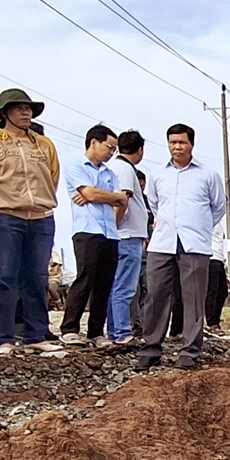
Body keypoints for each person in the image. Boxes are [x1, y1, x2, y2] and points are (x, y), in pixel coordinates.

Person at [0, 88, 59, 354]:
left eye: (28, 108)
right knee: (4, 277)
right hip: (3, 216)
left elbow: (52, 176)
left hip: (41, 217)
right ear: (5, 112)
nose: (26, 112)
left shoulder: (44, 144)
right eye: (19, 108)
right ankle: (4, 338)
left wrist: (40, 201)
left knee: (37, 277)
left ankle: (36, 334)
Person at [136, 122, 226, 371]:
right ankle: (151, 348)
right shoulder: (157, 175)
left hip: (195, 244)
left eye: (182, 142)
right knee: (155, 296)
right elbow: (154, 205)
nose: (177, 147)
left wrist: (199, 226)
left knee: (193, 299)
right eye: (173, 142)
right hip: (163, 242)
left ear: (191, 145)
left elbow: (218, 207)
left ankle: (189, 351)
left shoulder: (208, 175)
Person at [59, 124, 125, 345]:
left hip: (110, 232)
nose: (111, 152)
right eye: (109, 147)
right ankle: (69, 328)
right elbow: (90, 193)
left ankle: (96, 331)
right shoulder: (75, 166)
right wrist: (106, 196)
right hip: (87, 230)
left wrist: (101, 196)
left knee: (104, 283)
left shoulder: (110, 173)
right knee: (85, 279)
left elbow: (122, 200)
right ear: (94, 142)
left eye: (114, 149)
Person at [106, 130, 150, 344]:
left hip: (122, 235)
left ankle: (115, 331)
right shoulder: (125, 169)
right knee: (124, 287)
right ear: (140, 150)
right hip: (127, 235)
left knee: (117, 285)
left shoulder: (114, 167)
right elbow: (122, 201)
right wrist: (113, 227)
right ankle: (121, 332)